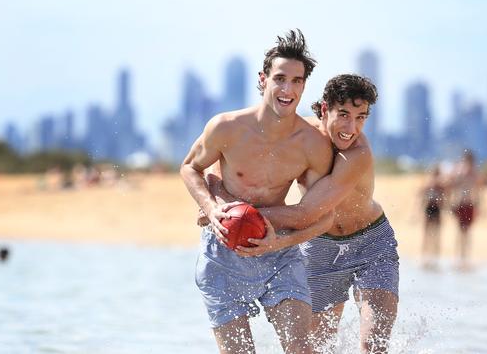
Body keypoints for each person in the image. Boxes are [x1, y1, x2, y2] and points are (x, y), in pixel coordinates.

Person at [205, 74, 399, 353]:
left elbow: (305, 213)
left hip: (371, 243)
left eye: (361, 117)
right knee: (316, 348)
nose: (351, 127)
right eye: (343, 114)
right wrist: (217, 203)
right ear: (324, 110)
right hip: (319, 246)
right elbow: (229, 158)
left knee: (374, 345)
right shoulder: (298, 137)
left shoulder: (358, 154)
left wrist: (238, 214)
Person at [180, 29, 334, 354]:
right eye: (280, 78)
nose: (287, 89)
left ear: (304, 86)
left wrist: (283, 241)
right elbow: (189, 167)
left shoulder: (313, 145)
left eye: (296, 81)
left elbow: (323, 215)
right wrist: (210, 207)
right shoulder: (226, 127)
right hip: (222, 256)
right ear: (263, 79)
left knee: (301, 349)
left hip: (279, 253)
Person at [446, 149, 487, 269]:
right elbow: (452, 186)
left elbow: (479, 190)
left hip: (470, 204)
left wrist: (480, 206)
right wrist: (451, 203)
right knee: (460, 231)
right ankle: (458, 258)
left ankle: (465, 258)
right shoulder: (460, 172)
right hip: (460, 203)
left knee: (467, 232)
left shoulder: (474, 173)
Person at [420, 165, 446, 270]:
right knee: (428, 234)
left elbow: (443, 199)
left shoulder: (439, 186)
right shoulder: (430, 184)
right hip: (430, 208)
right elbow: (422, 196)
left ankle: (434, 258)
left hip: (435, 209)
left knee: (435, 234)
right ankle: (426, 257)